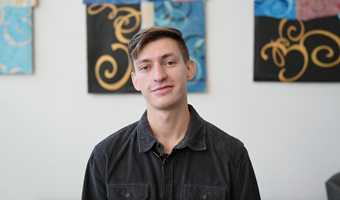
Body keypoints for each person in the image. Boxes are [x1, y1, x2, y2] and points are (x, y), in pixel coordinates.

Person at [82, 27, 261, 200]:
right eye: (145, 67)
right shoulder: (105, 156)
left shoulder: (232, 155)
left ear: (189, 69)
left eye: (169, 62)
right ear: (136, 81)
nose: (159, 76)